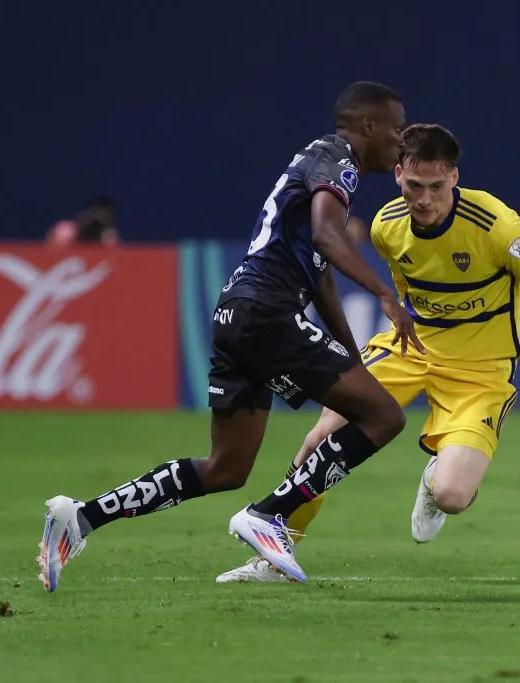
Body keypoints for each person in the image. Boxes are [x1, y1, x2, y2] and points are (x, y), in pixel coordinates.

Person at [216, 123, 520, 583]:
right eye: (414, 186)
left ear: (454, 178)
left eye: (437, 187)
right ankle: (275, 557)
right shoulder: (386, 227)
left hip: (480, 372)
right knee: (318, 439)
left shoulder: (498, 228)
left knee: (452, 496)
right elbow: (406, 289)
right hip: (410, 351)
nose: (424, 199)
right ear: (398, 175)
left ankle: (434, 477)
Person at [37, 81, 423, 591]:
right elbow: (328, 236)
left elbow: (320, 269)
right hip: (267, 314)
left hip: (236, 313)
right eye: (397, 128)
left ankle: (81, 517)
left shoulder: (317, 162)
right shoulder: (338, 161)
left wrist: (351, 356)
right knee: (385, 417)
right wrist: (384, 294)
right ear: (368, 125)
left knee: (225, 468)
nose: (402, 140)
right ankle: (270, 515)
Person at [47, 196, 121, 247]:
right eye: (95, 213)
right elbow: (50, 251)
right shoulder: (66, 230)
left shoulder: (109, 235)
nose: (97, 219)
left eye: (104, 215)